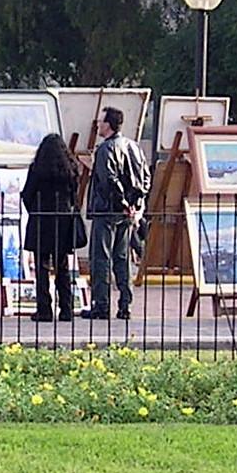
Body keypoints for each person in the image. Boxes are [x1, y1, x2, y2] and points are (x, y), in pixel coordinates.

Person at [85, 106, 149, 320]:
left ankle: (101, 305)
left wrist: (121, 201)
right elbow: (145, 178)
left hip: (107, 210)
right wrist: (134, 202)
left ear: (109, 125)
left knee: (101, 258)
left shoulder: (106, 149)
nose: (98, 125)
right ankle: (125, 303)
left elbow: (108, 180)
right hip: (126, 212)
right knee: (122, 257)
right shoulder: (134, 146)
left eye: (101, 121)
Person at [22, 132, 85, 323]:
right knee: (62, 265)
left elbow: (27, 193)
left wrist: (35, 208)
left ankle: (44, 309)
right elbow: (75, 193)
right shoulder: (70, 169)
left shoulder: (38, 169)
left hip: (42, 218)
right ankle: (66, 308)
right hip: (63, 219)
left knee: (41, 266)